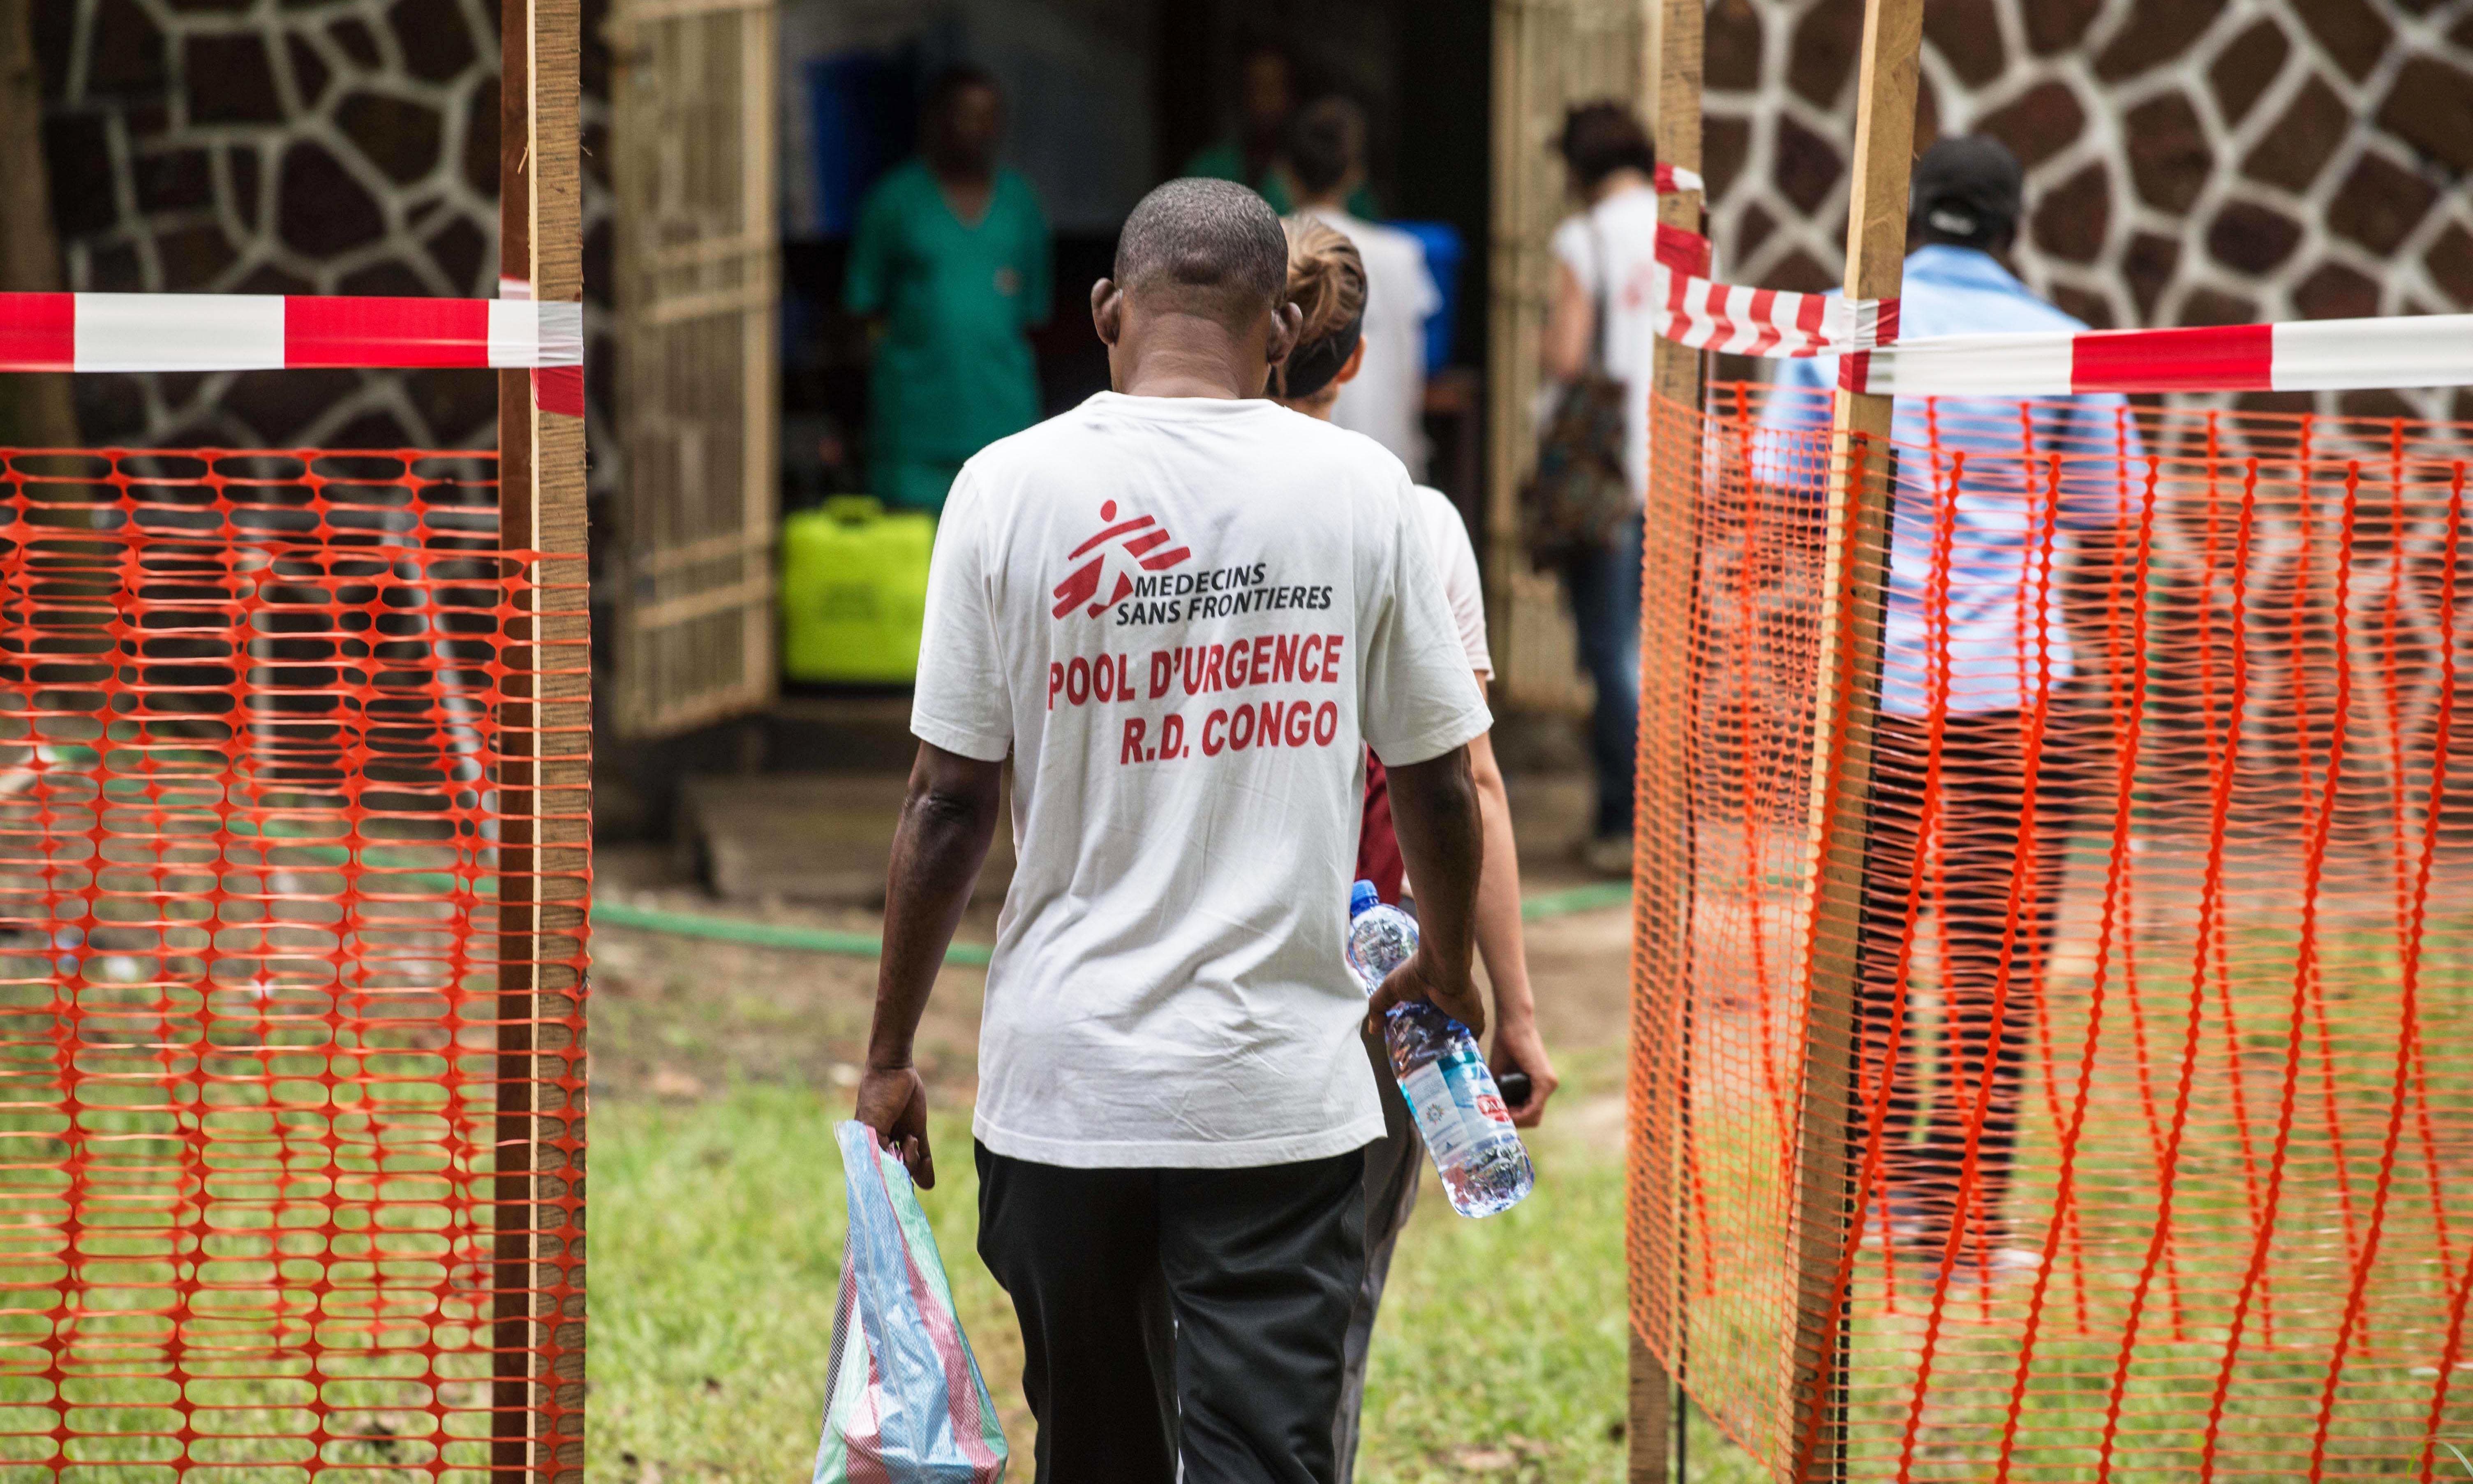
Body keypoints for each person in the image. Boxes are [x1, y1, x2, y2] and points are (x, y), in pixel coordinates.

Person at [854, 178, 1494, 1484]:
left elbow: (945, 801)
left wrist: (888, 1053)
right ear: (1278, 333)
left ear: (1104, 312)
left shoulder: (1003, 488)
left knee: (1095, 1455)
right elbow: (1436, 777)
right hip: (1279, 1098)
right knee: (1269, 1458)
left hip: (1063, 1090)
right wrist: (1449, 971)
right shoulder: (1362, 491)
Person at [1760, 136, 2140, 1269]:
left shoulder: (1841, 329)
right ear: (2015, 229)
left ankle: (1863, 1192)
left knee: (1865, 946)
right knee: (1997, 956)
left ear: (1906, 218)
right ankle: (1963, 1221)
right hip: (2013, 692)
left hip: (1868, 694)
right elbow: (2107, 526)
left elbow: (1782, 495)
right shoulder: (2068, 347)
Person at [1270, 215, 1558, 1482]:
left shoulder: (1148, 502)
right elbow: (1468, 778)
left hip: (1202, 963)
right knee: (1329, 1302)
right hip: (1381, 971)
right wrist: (1514, 1007)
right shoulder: (1410, 516)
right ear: (1354, 360)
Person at [1540, 100, 1663, 876]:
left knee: (1606, 648)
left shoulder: (1582, 238)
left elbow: (1566, 356)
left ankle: (1634, 818)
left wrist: (1539, 339)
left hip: (1605, 475)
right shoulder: (1681, 232)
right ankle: (1636, 814)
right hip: (1674, 459)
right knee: (1647, 649)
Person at [845, 65, 1052, 514]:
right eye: (962, 114)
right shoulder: (894, 201)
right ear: (935, 121)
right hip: (914, 431)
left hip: (1002, 420)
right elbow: (861, 311)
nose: (975, 128)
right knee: (911, 572)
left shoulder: (1020, 204)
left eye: (987, 116)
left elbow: (1033, 317)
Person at [1288, 97, 1439, 478]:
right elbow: (1417, 361)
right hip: (1387, 458)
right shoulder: (1402, 256)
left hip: (1293, 464)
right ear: (1355, 174)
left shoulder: (1264, 246)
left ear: (1286, 173)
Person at [1181, 42, 1379, 219]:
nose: (1264, 100)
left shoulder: (1333, 166)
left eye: (1274, 87)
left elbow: (1364, 231)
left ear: (1292, 94)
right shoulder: (1210, 168)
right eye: (1256, 87)